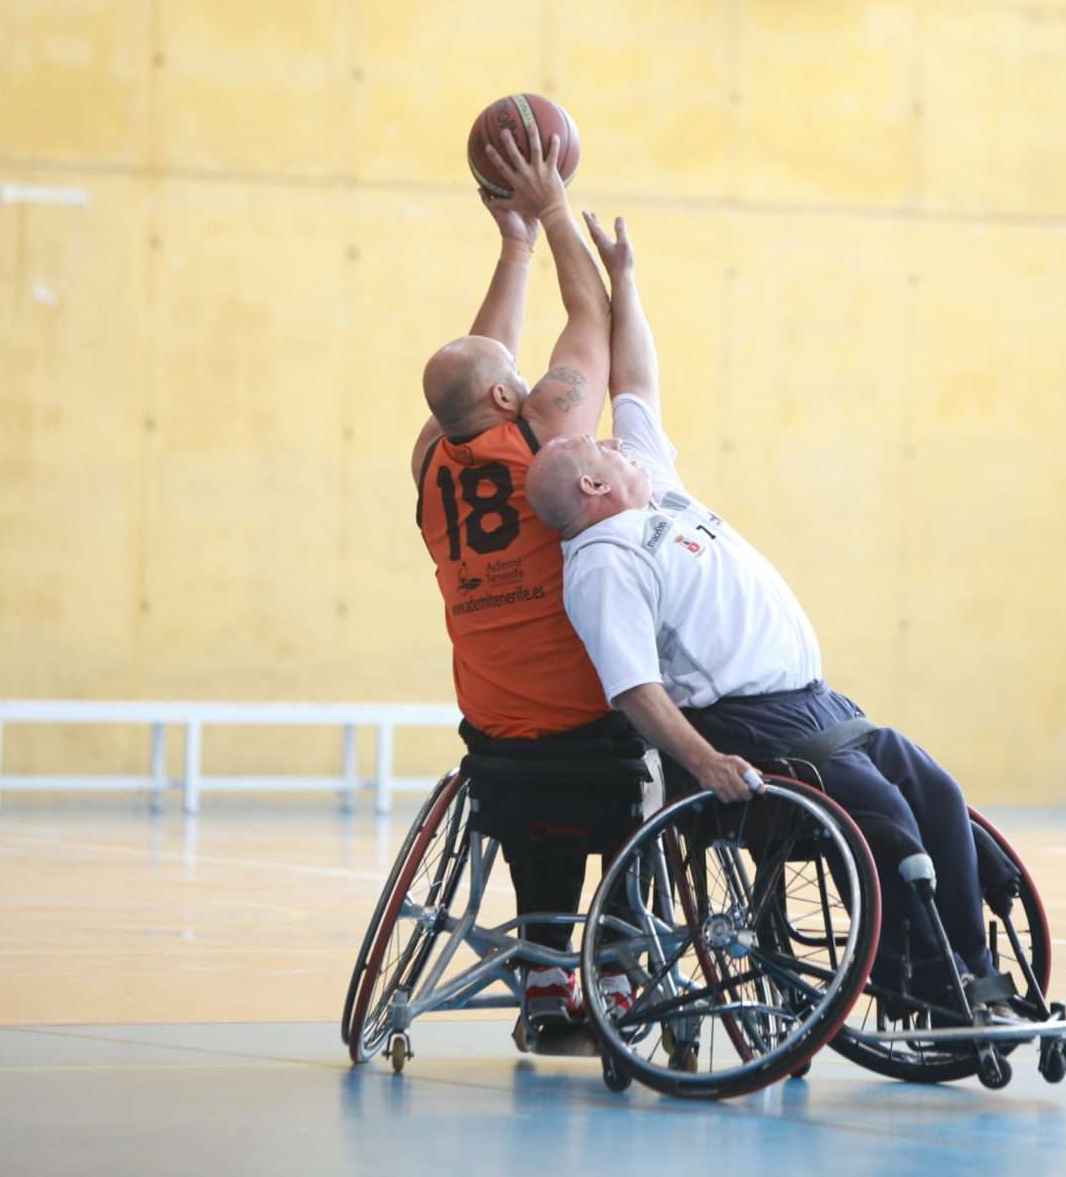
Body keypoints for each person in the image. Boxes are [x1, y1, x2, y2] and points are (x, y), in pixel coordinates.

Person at [526, 213, 1009, 1014]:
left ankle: (977, 970)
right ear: (591, 487)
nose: (614, 440)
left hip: (819, 704)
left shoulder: (653, 483)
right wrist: (707, 761)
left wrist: (626, 281)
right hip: (749, 726)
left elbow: (636, 382)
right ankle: (925, 989)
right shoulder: (605, 561)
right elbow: (635, 690)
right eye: (601, 449)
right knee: (885, 822)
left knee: (937, 792)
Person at [411, 122, 638, 1033]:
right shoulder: (546, 433)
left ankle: (546, 980)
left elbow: (479, 362)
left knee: (536, 792)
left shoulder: (429, 457)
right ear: (511, 397)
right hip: (593, 724)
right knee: (653, 743)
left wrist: (512, 248)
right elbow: (592, 322)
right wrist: (551, 211)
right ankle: (617, 972)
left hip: (495, 734)